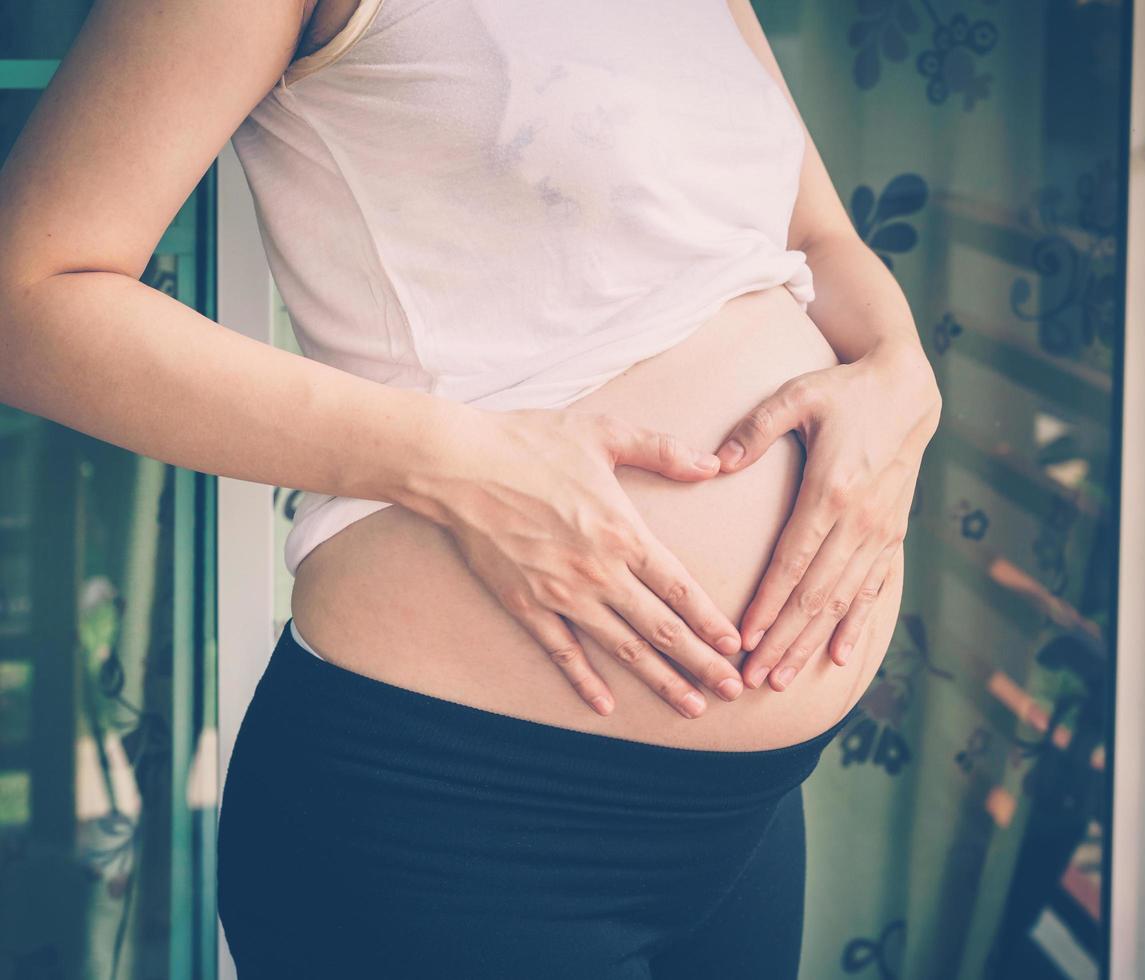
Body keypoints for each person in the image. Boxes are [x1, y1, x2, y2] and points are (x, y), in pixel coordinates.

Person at [0, 0, 941, 976]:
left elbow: (815, 241)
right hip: (457, 823)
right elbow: (29, 296)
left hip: (746, 818)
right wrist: (458, 461)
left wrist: (902, 374)